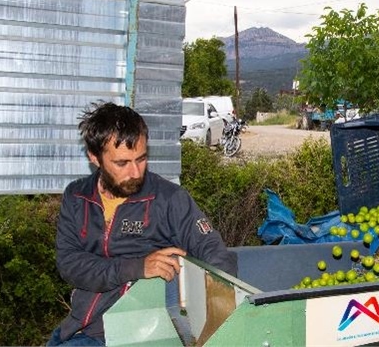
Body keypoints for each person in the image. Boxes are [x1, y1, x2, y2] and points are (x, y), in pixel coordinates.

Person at [47, 102, 237, 346]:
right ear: (94, 158)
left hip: (139, 333)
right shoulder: (76, 197)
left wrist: (217, 322)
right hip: (81, 327)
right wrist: (137, 267)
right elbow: (69, 264)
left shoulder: (169, 199)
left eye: (141, 158)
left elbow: (216, 255)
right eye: (122, 163)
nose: (135, 172)